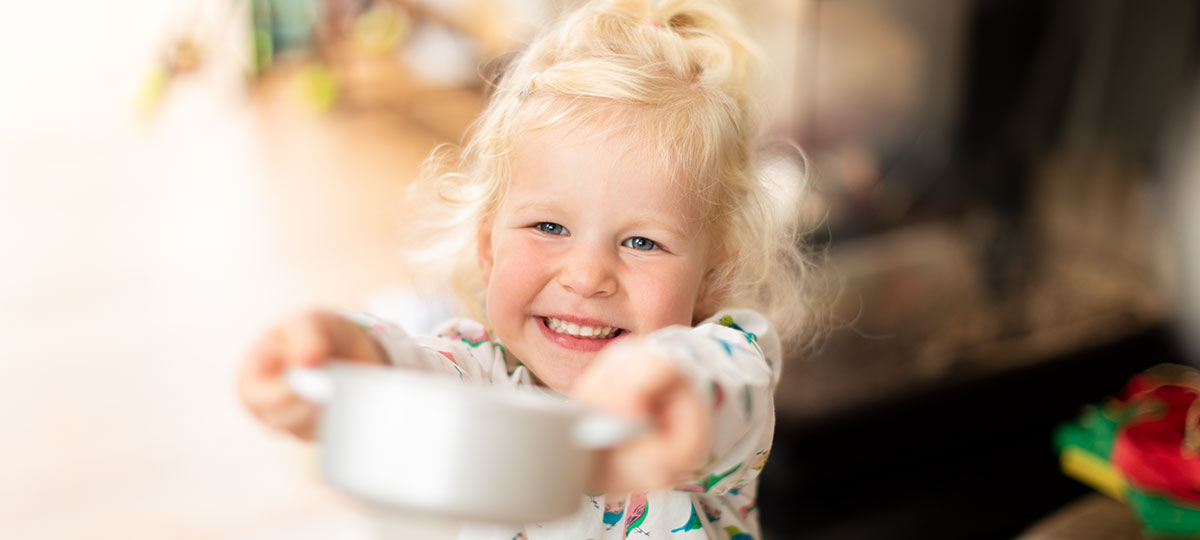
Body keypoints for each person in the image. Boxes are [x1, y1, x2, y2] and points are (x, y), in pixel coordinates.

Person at [239, 0, 817, 538]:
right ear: (488, 250)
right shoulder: (482, 371)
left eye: (641, 241)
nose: (586, 276)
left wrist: (664, 381)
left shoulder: (731, 359)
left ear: (713, 276)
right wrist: (345, 352)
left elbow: (721, 392)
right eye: (549, 227)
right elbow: (411, 377)